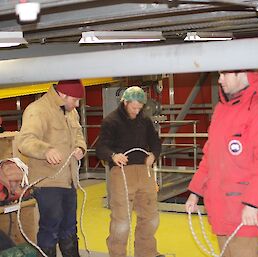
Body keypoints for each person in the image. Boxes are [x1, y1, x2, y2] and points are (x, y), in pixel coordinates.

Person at [185, 70, 258, 257]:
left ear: (243, 74)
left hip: (245, 216)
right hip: (220, 210)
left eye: (225, 74)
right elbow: (210, 156)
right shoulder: (221, 110)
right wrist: (195, 192)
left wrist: (253, 204)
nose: (220, 79)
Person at [17, 80, 87, 257]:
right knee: (50, 228)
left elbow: (79, 134)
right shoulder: (37, 110)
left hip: (69, 180)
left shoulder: (71, 112)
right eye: (76, 100)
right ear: (63, 95)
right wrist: (45, 150)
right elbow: (25, 141)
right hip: (47, 181)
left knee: (70, 227)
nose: (77, 104)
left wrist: (80, 147)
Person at [96, 86, 164, 257]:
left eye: (140, 107)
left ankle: (147, 252)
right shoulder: (111, 121)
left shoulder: (145, 121)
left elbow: (155, 142)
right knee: (121, 222)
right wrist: (113, 156)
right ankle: (118, 254)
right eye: (134, 107)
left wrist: (153, 155)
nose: (137, 110)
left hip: (144, 171)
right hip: (121, 173)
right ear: (124, 102)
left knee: (150, 218)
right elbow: (101, 147)